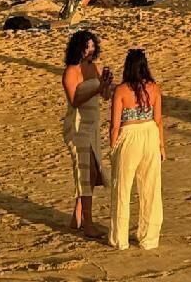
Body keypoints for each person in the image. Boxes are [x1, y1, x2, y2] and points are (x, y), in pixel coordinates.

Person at [109, 49, 164, 251]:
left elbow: (115, 124)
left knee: (122, 189)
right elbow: (158, 120)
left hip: (129, 134)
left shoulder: (121, 90)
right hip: (150, 133)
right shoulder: (154, 88)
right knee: (151, 188)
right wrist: (162, 146)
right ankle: (149, 238)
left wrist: (113, 146)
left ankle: (120, 239)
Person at [61, 29, 113, 236]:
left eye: (92, 46)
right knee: (86, 171)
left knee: (93, 171)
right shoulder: (71, 71)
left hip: (93, 124)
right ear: (78, 48)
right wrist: (97, 87)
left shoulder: (96, 68)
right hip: (77, 125)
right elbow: (74, 100)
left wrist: (106, 85)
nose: (90, 50)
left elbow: (106, 96)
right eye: (86, 46)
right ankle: (88, 223)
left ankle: (77, 215)